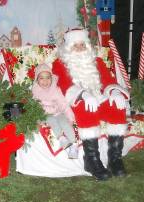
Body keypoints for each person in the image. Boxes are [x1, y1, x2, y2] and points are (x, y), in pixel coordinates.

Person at [52, 28, 129, 180]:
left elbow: (108, 80)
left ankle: (115, 159)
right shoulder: (60, 64)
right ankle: (91, 160)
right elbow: (65, 85)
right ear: (68, 48)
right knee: (86, 107)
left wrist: (114, 92)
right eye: (76, 45)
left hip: (99, 98)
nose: (80, 49)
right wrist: (83, 94)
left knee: (117, 106)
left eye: (83, 45)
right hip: (76, 101)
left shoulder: (97, 62)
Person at [32, 63, 79, 159]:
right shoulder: (35, 91)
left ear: (52, 78)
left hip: (58, 113)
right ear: (37, 80)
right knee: (51, 120)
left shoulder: (55, 89)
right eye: (41, 78)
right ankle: (61, 139)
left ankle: (74, 145)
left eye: (48, 78)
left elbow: (63, 104)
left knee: (65, 122)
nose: (45, 81)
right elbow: (34, 106)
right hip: (44, 115)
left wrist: (70, 117)